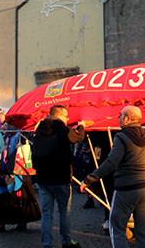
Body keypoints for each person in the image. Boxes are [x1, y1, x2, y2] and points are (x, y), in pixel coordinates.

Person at [80, 106, 145, 248]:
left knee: (117, 227)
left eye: (120, 115)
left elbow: (111, 162)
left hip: (125, 187)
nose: (119, 118)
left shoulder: (121, 137)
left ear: (127, 118)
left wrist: (90, 179)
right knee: (143, 230)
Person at [31, 105, 86, 248]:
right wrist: (82, 126)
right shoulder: (62, 130)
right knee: (64, 212)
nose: (68, 119)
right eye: (67, 117)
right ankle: (66, 242)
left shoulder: (39, 129)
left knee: (46, 214)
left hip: (43, 178)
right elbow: (78, 136)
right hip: (61, 178)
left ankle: (47, 244)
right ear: (60, 116)